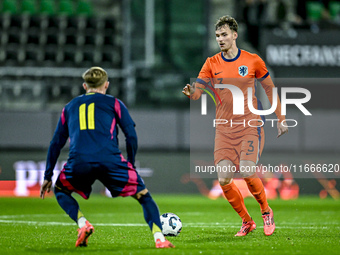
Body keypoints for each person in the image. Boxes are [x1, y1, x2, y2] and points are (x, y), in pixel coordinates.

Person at [40, 67, 174, 248]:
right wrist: (131, 164)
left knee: (61, 191)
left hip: (79, 161)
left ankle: (83, 224)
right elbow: (131, 135)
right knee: (144, 197)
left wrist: (48, 175)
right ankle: (159, 239)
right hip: (110, 159)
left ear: (84, 86)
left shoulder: (69, 107)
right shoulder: (115, 103)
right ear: (106, 85)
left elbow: (56, 143)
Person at [182, 15, 288, 236]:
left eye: (224, 35)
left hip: (250, 125)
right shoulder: (211, 63)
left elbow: (270, 89)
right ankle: (247, 221)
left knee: (248, 171)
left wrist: (281, 118)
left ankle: (266, 211)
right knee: (224, 179)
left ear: (234, 35)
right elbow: (198, 92)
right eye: (217, 36)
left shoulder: (252, 60)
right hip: (224, 129)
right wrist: (192, 93)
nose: (220, 39)